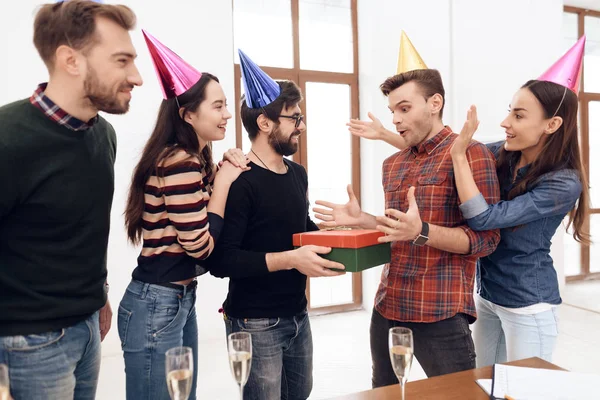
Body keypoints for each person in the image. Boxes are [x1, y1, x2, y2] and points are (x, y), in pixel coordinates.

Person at [313, 33, 501, 386]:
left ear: (435, 103)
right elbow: (397, 228)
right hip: (388, 306)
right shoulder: (392, 164)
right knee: (383, 393)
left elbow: (487, 239)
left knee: (459, 397)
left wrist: (423, 232)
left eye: (404, 108)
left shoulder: (469, 154)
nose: (396, 120)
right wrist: (362, 220)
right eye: (392, 111)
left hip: (440, 314)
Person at [0, 1, 142, 399]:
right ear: (70, 60)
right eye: (122, 60)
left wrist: (99, 295)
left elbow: (80, 231)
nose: (137, 76)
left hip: (88, 328)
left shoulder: (104, 136)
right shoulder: (8, 138)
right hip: (27, 343)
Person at [208, 50, 345, 400]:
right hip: (254, 323)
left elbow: (299, 228)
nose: (301, 125)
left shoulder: (298, 174)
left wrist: (341, 231)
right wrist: (290, 259)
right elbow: (221, 261)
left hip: (298, 314)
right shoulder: (239, 180)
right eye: (293, 118)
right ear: (265, 123)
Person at [118, 31, 247, 400]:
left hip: (176, 299)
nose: (226, 115)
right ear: (188, 113)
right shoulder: (180, 162)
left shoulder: (195, 160)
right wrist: (222, 183)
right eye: (218, 106)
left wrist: (221, 172)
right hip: (158, 302)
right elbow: (201, 248)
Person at [450, 36, 589, 367]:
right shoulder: (505, 154)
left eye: (519, 115)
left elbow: (483, 218)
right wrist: (389, 135)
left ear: (552, 124)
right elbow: (451, 147)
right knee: (487, 384)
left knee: (527, 390)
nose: (505, 123)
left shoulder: (563, 183)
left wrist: (459, 157)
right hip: (488, 295)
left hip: (528, 304)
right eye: (509, 111)